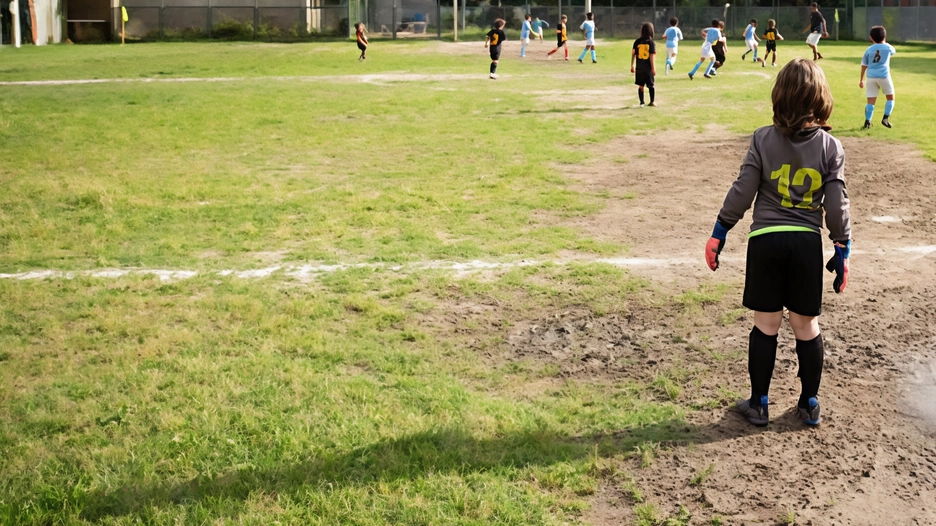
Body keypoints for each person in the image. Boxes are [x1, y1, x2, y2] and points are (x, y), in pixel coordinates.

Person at [705, 58, 851, 427]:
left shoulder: (762, 138)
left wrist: (720, 230)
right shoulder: (831, 147)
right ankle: (809, 402)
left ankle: (759, 403)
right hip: (805, 245)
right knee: (806, 326)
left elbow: (743, 190)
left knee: (766, 325)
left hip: (766, 242)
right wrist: (842, 246)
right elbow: (836, 205)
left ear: (779, 97)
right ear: (821, 99)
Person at [860, 25, 897, 129]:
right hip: (884, 76)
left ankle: (867, 122)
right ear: (884, 36)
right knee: (890, 98)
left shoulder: (868, 50)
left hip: (871, 77)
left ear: (871, 37)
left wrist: (861, 79)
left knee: (870, 101)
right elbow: (893, 51)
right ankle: (885, 118)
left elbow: (864, 65)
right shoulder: (888, 47)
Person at [630, 22, 657, 107]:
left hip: (639, 67)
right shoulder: (651, 43)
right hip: (648, 68)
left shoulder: (637, 42)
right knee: (651, 85)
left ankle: (642, 102)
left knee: (641, 86)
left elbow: (633, 54)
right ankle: (652, 101)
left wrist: (632, 65)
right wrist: (653, 68)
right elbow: (651, 56)